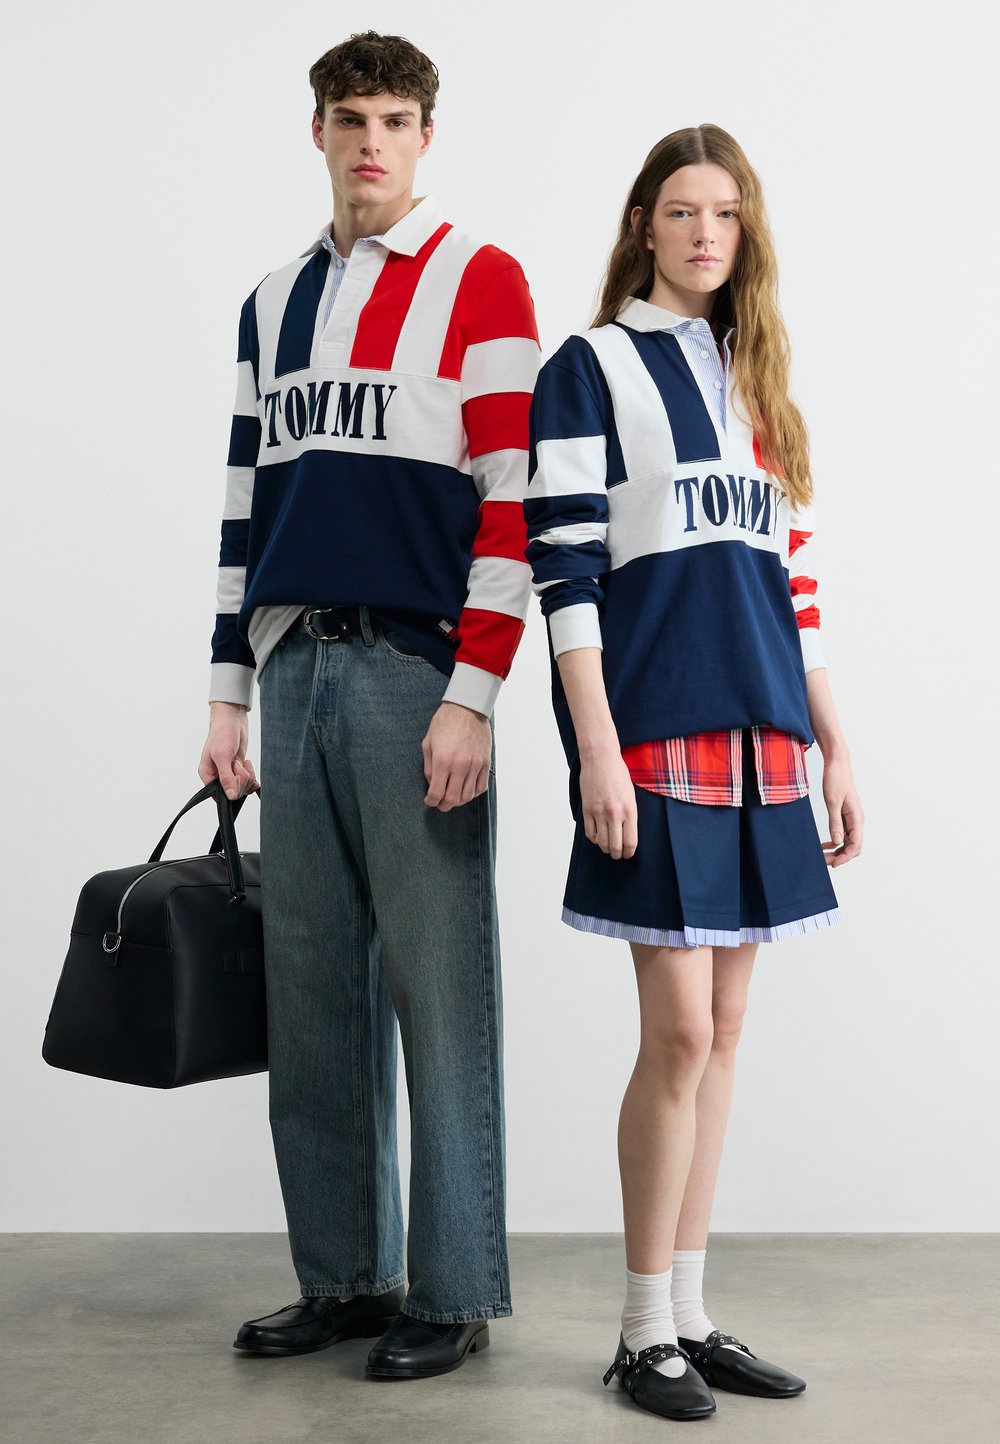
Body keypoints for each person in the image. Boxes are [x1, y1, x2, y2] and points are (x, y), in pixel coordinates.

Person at [197, 31, 539, 1380]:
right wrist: (228, 692)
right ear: (320, 133)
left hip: (415, 675)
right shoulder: (271, 302)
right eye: (352, 119)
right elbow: (245, 506)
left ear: (426, 136)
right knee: (315, 993)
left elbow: (512, 503)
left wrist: (476, 694)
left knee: (438, 991)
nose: (373, 143)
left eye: (396, 120)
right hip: (295, 669)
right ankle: (343, 1278)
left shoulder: (479, 277)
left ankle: (450, 1294)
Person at [524, 124, 863, 1422]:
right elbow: (566, 572)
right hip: (654, 735)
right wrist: (596, 749)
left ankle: (691, 1315)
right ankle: (638, 1331)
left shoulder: (759, 378)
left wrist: (836, 745)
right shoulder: (591, 368)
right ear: (644, 225)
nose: (704, 233)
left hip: (766, 736)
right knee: (672, 1034)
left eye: (724, 213)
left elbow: (796, 591)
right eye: (681, 210)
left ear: (744, 231)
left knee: (723, 1034)